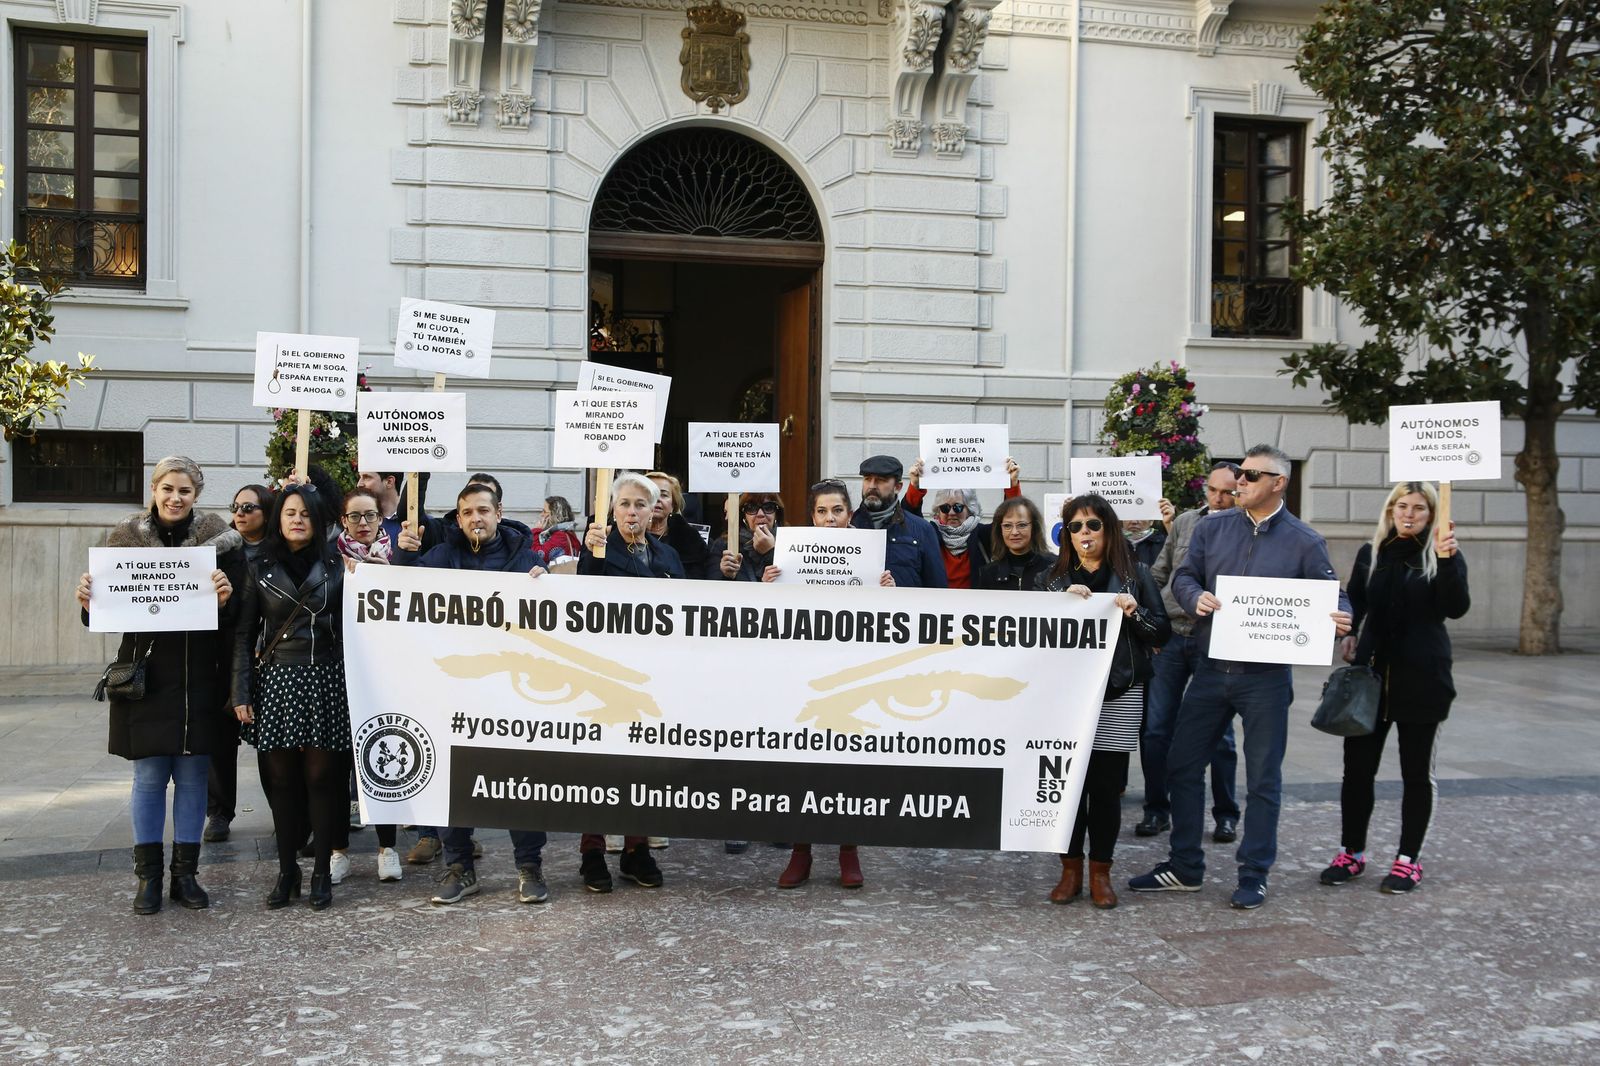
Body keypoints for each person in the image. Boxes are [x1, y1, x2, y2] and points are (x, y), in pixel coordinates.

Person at [1129, 445, 1351, 911]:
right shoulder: (1212, 528)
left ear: (1279, 483)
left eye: (1251, 475)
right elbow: (1183, 577)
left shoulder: (1304, 540)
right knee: (1182, 764)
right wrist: (1195, 598)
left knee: (1264, 777)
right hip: (1210, 668)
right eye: (1240, 474)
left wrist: (1340, 616)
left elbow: (1334, 594)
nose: (1241, 482)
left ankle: (1254, 872)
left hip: (1265, 679)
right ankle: (1184, 866)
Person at [74, 457, 241, 914]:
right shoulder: (124, 539)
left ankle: (185, 876)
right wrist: (89, 601)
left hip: (199, 677)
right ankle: (147, 878)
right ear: (153, 488)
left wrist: (226, 598)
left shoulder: (220, 542)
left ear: (196, 496)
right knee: (148, 777)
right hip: (145, 677)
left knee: (191, 777)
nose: (175, 498)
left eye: (184, 491)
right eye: (167, 488)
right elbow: (105, 615)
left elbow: (239, 615)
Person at [394, 480, 553, 905]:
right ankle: (460, 865)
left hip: (513, 693)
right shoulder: (443, 557)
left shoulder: (527, 559)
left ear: (498, 513)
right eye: (466, 513)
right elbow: (401, 591)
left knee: (520, 778)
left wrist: (548, 583)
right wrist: (405, 555)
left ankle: (529, 865)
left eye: (483, 511)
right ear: (458, 519)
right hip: (455, 691)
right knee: (452, 778)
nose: (475, 519)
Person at [1320, 481, 1469, 894]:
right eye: (1401, 506)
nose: (1408, 514)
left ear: (1432, 515)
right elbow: (1356, 601)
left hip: (1423, 679)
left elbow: (1455, 607)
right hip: (1370, 679)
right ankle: (1351, 852)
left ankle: (1408, 860)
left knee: (1416, 773)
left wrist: (1448, 560)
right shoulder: (1374, 553)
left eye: (1419, 509)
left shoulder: (1442, 554)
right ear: (1389, 510)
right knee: (1357, 771)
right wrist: (1347, 632)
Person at [1035, 494, 1170, 908]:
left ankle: (1101, 872)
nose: (1084, 534)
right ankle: (1070, 868)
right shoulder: (1052, 580)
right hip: (1066, 700)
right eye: (1075, 527)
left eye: (1092, 525)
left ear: (1108, 529)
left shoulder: (1136, 574)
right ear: (1066, 535)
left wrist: (1135, 613)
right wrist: (1058, 607)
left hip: (1119, 692)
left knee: (1106, 789)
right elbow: (1032, 638)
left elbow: (1161, 633)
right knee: (1069, 788)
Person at [762, 480, 892, 889]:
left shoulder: (871, 557)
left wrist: (891, 593)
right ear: (812, 516)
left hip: (853, 676)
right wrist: (768, 590)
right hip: (801, 676)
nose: (830, 519)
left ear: (849, 514)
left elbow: (894, 622)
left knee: (847, 767)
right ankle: (801, 853)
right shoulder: (792, 558)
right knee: (802, 765)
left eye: (837, 511)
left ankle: (848, 852)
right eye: (822, 512)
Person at [231, 482, 351, 911]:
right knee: (280, 781)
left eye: (304, 513)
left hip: (324, 678)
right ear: (278, 519)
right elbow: (244, 634)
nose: (297, 519)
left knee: (322, 778)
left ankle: (320, 870)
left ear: (317, 520)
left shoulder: (338, 566)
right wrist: (240, 691)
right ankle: (287, 871)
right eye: (289, 512)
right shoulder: (258, 566)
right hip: (277, 680)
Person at [576, 472, 682, 891]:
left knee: (644, 762)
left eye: (641, 504)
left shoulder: (667, 556)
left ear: (653, 509)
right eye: (625, 504)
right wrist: (593, 551)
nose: (633, 511)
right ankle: (593, 850)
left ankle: (637, 849)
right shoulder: (599, 550)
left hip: (653, 676)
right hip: (605, 674)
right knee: (600, 762)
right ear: (612, 509)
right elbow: (585, 591)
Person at [1138, 462, 1243, 843]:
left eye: (1229, 491)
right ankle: (1156, 809)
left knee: (1220, 733)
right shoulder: (1185, 522)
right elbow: (1161, 571)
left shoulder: (1246, 529)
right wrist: (1138, 600)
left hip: (1214, 639)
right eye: (1214, 490)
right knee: (1155, 729)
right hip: (1170, 635)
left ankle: (1226, 813)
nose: (1219, 498)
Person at [332, 487, 403, 885]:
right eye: (355, 517)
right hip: (340, 670)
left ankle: (386, 848)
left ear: (381, 518)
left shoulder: (399, 557)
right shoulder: (330, 559)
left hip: (385, 672)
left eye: (370, 516)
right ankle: (337, 850)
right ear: (344, 521)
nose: (363, 524)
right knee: (338, 764)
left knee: (383, 756)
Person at [204, 483, 275, 844]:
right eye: (236, 506)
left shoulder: (280, 551)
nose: (241, 512)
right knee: (220, 738)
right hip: (225, 653)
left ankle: (285, 809)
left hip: (272, 657)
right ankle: (218, 811)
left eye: (249, 506)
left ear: (267, 511)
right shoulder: (217, 553)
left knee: (275, 742)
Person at [903, 457, 1022, 588]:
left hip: (974, 606)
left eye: (958, 507)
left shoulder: (982, 535)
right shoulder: (929, 534)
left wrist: (1012, 485)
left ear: (970, 509)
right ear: (938, 511)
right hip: (936, 606)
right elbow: (908, 519)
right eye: (945, 508)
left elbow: (1011, 520)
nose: (952, 513)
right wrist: (915, 485)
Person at [849, 455, 946, 589]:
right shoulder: (848, 527)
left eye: (880, 480)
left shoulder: (922, 529)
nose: (871, 486)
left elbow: (937, 589)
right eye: (867, 479)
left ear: (898, 487)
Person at [974, 497, 1056, 591]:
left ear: (1034, 527)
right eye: (1007, 526)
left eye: (1022, 525)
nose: (1014, 532)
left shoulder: (1054, 566)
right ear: (1000, 530)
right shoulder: (989, 573)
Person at [646, 470, 715, 580]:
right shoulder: (621, 536)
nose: (657, 499)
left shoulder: (693, 542)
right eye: (651, 493)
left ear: (673, 505)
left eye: (663, 495)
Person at [715, 492, 784, 584]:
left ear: (777, 514)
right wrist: (727, 576)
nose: (760, 514)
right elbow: (714, 593)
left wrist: (770, 552)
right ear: (743, 516)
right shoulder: (724, 546)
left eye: (768, 508)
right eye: (751, 508)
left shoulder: (792, 543)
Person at [536, 494, 583, 562]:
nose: (541, 514)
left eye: (545, 511)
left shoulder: (560, 536)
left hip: (555, 572)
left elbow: (538, 556)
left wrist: (536, 531)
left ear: (555, 515)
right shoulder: (568, 532)